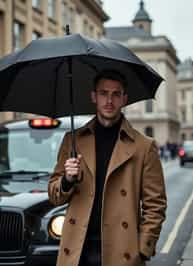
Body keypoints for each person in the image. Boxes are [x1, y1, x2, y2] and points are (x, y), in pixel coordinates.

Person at [48, 70, 167, 266]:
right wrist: (67, 180)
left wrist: (143, 249)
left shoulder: (143, 146)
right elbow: (54, 197)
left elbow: (156, 205)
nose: (109, 100)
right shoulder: (73, 140)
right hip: (78, 252)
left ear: (124, 99)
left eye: (116, 94)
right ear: (94, 96)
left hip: (122, 253)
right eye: (103, 93)